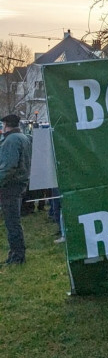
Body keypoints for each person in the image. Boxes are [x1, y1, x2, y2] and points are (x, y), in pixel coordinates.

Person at [0, 114, 32, 266]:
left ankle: (17, 256)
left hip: (10, 186)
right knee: (14, 221)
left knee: (12, 222)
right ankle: (15, 254)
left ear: (6, 124)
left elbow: (8, 167)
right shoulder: (23, 137)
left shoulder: (11, 140)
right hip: (19, 183)